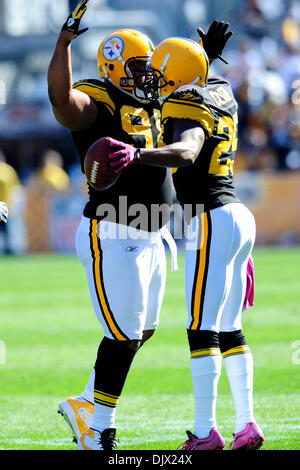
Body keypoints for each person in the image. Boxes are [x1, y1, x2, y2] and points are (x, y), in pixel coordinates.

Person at [108, 33, 264, 451]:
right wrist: (200, 59)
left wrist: (137, 155)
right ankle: (247, 425)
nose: (153, 82)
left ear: (175, 77)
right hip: (236, 216)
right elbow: (194, 86)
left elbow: (189, 149)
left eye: (161, 74)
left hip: (211, 218)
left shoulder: (184, 101)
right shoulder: (220, 90)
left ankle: (203, 432)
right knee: (229, 328)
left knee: (202, 329)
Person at [48, 0, 175, 450]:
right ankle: (98, 427)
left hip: (155, 231)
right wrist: (64, 41)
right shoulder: (97, 97)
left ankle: (85, 402)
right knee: (123, 333)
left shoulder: (154, 100)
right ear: (115, 66)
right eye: (141, 66)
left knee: (141, 332)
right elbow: (63, 103)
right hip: (115, 230)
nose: (149, 74)